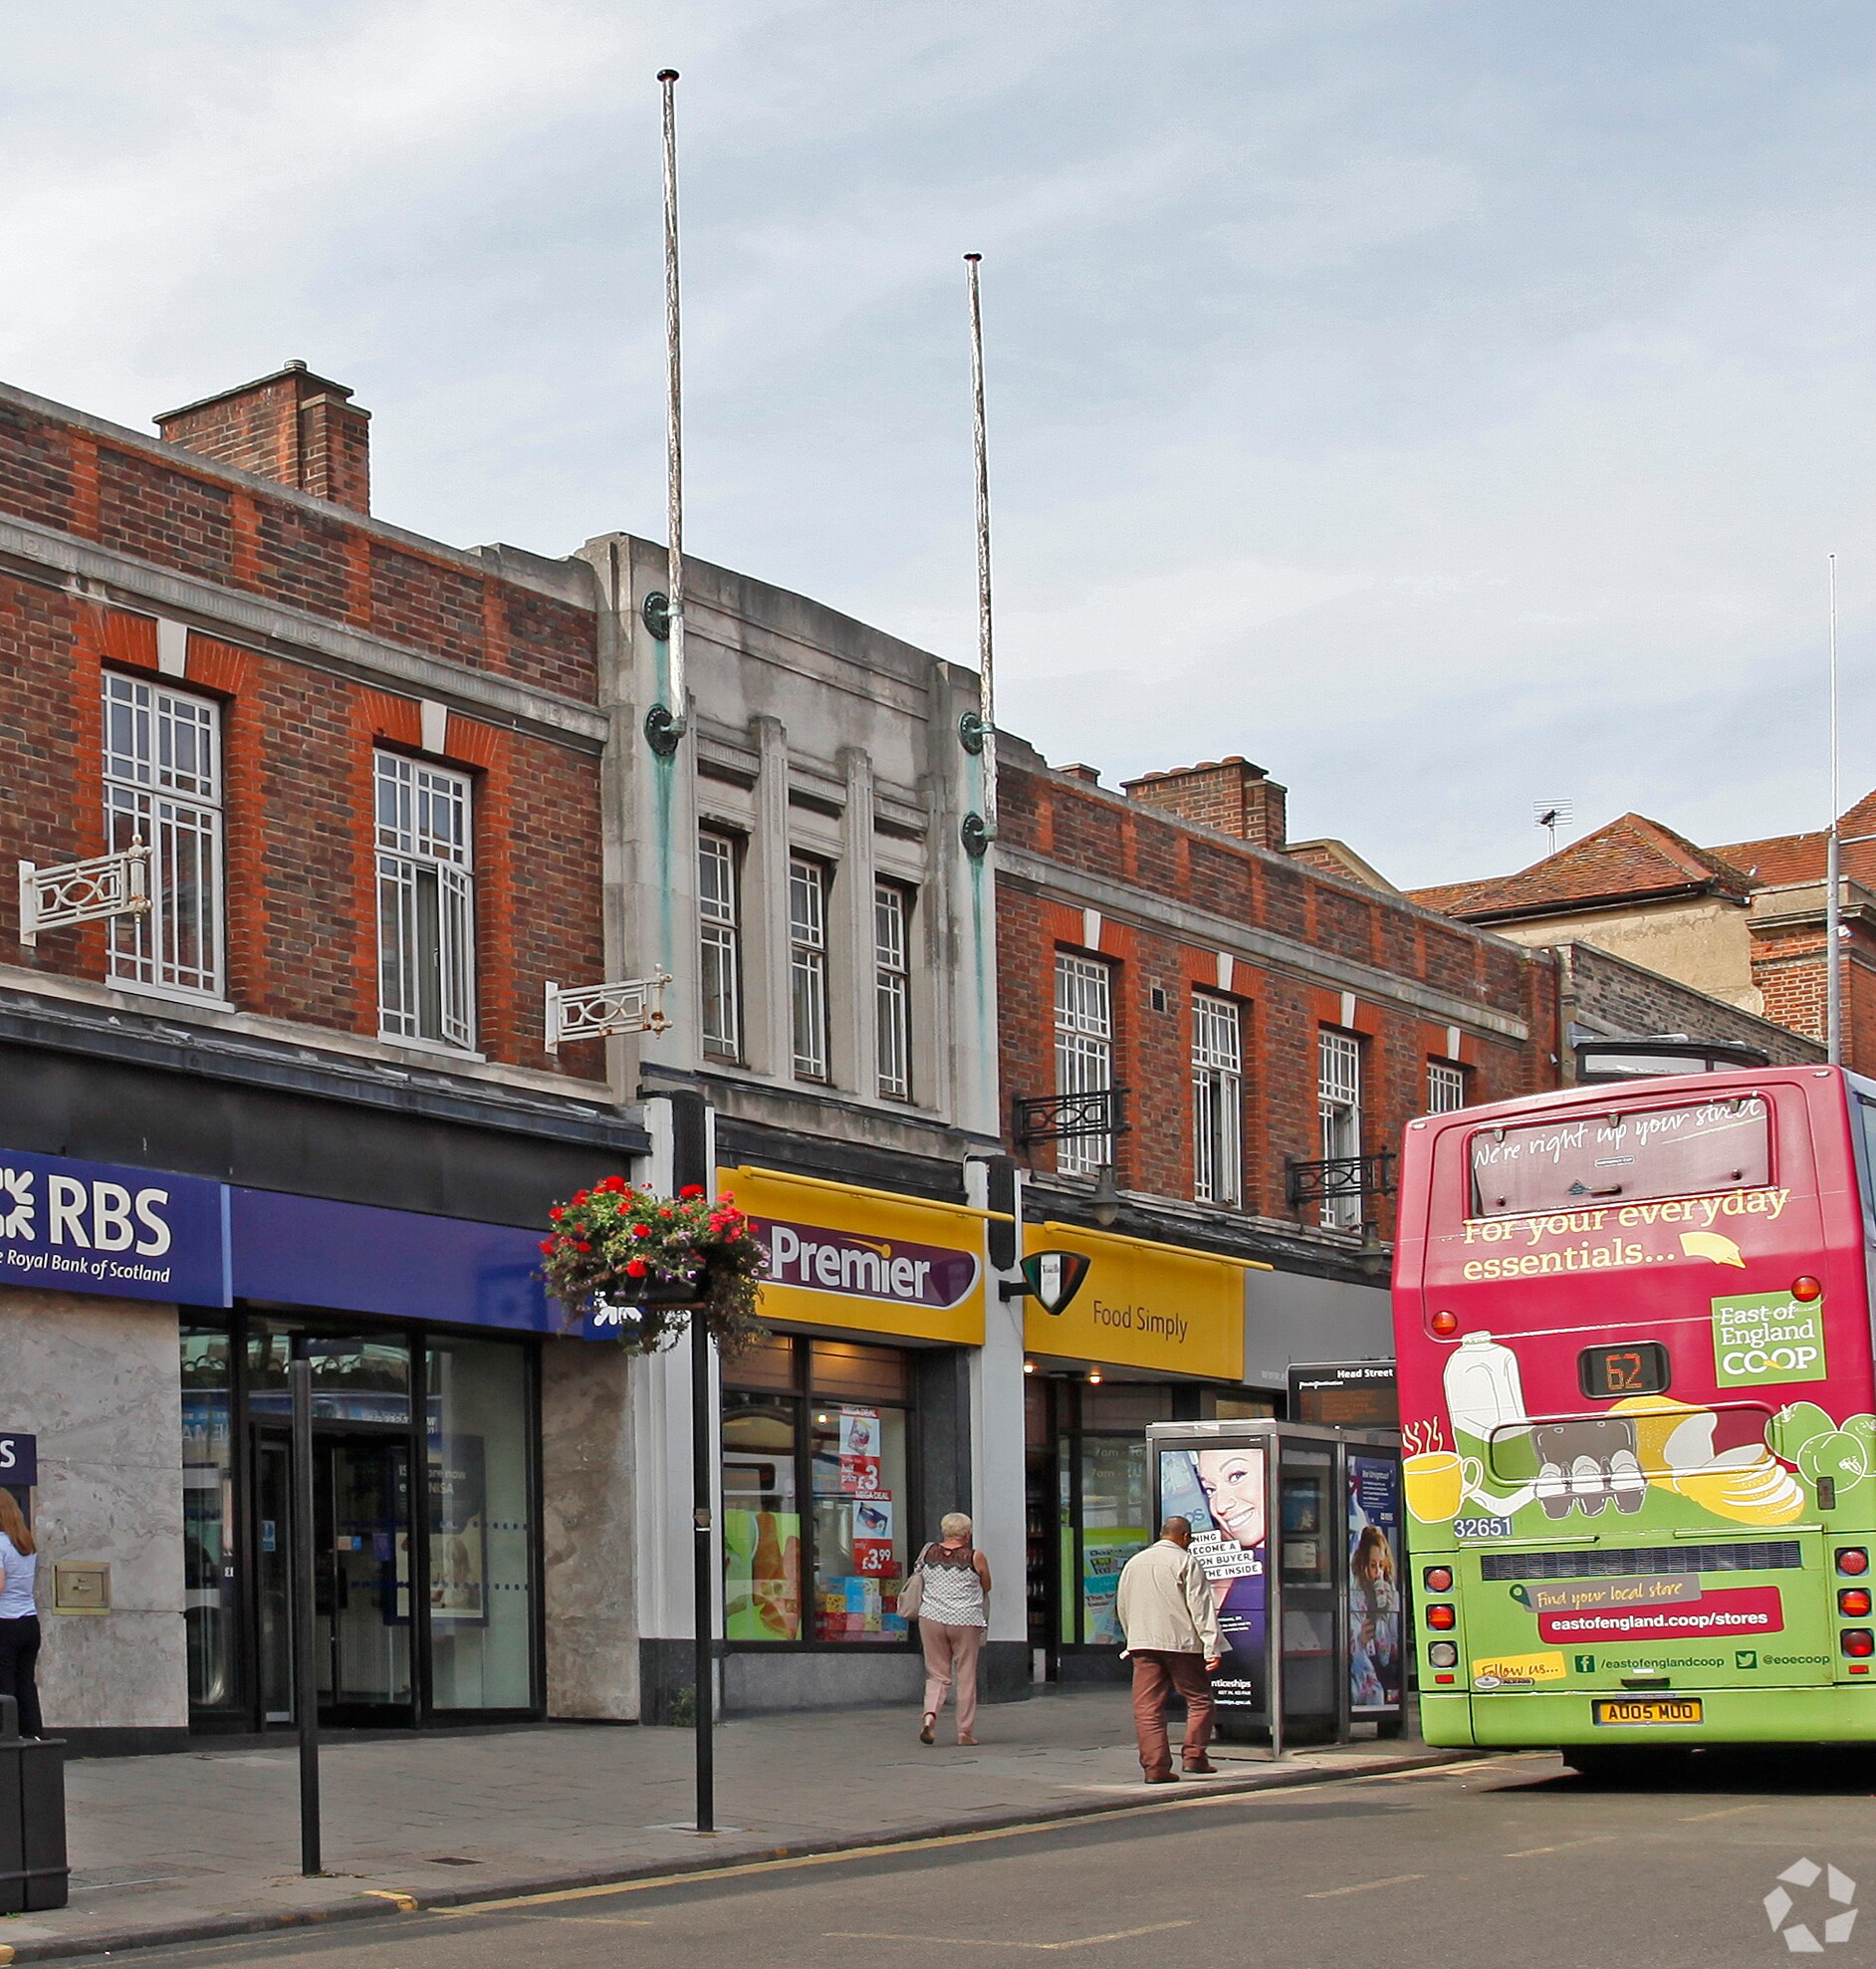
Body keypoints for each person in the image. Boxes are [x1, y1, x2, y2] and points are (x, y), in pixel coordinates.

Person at [1114, 1515, 1222, 1784]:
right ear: (1184, 1537)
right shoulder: (1185, 1561)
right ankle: (1195, 1757)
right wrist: (1211, 1646)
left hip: (1143, 1643)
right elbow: (1201, 1608)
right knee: (1199, 1699)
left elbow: (1123, 1605)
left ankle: (1155, 1769)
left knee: (1147, 1708)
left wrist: (1132, 1639)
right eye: (1190, 1539)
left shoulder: (1134, 1563)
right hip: (1182, 1644)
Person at [912, 1511, 991, 1746]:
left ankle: (929, 1717)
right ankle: (964, 1732)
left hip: (931, 1618)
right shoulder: (975, 1556)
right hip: (965, 1620)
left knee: (937, 1673)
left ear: (944, 1531)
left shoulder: (928, 1552)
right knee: (965, 1675)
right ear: (967, 1534)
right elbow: (987, 1584)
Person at [0, 1489, 41, 1739]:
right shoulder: (26, 1543)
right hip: (29, 1621)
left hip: (5, 1622)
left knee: (4, 1684)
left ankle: (8, 1738)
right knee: (26, 1682)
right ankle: (33, 1735)